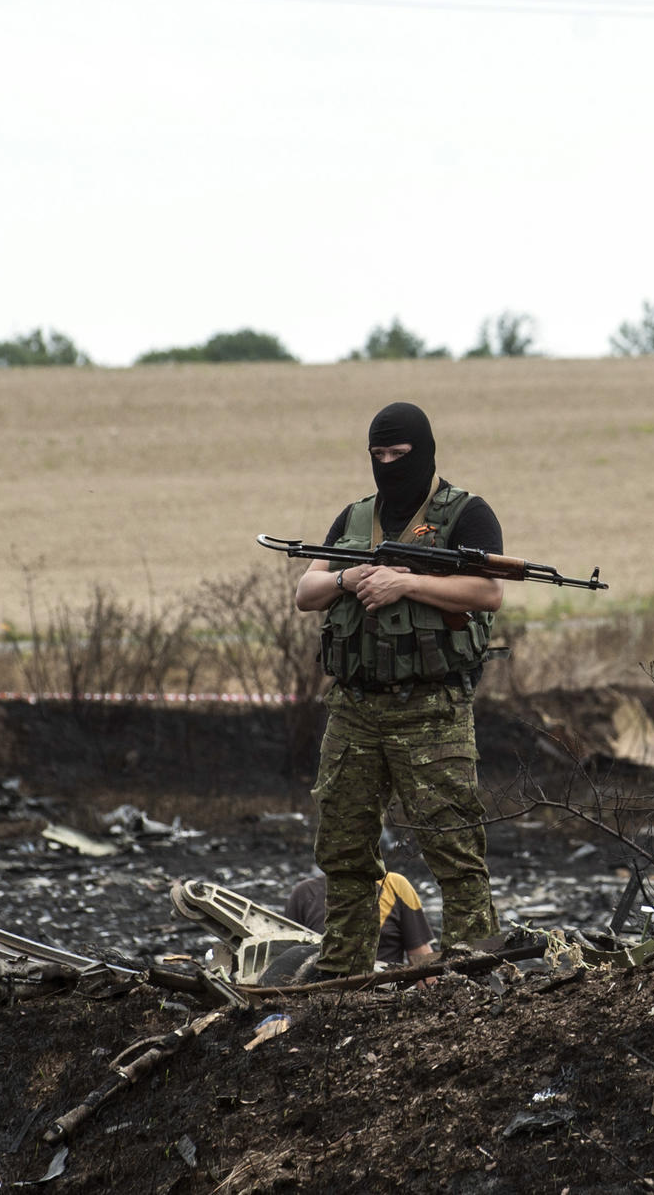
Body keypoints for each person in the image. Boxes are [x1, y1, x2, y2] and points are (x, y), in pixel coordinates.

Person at [292, 401, 502, 979]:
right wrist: (348, 577)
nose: (387, 464)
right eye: (377, 454)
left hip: (432, 708)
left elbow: (488, 592)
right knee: (344, 849)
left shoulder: (467, 514)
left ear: (424, 452)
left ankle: (473, 970)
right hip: (354, 709)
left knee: (454, 846)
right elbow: (307, 592)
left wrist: (406, 584)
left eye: (399, 454)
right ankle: (344, 976)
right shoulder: (356, 518)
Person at [284, 872, 435, 969]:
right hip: (320, 992)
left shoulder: (395, 885)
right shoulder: (304, 893)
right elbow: (285, 960)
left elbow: (422, 957)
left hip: (385, 991)